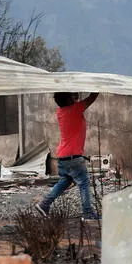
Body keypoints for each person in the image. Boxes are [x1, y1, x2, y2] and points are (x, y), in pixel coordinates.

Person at [35, 91, 100, 220]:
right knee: (84, 183)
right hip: (73, 156)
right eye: (72, 96)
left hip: (63, 156)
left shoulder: (61, 112)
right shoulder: (74, 109)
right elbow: (91, 98)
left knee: (65, 181)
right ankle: (88, 213)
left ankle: (44, 204)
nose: (75, 97)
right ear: (69, 99)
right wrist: (97, 86)